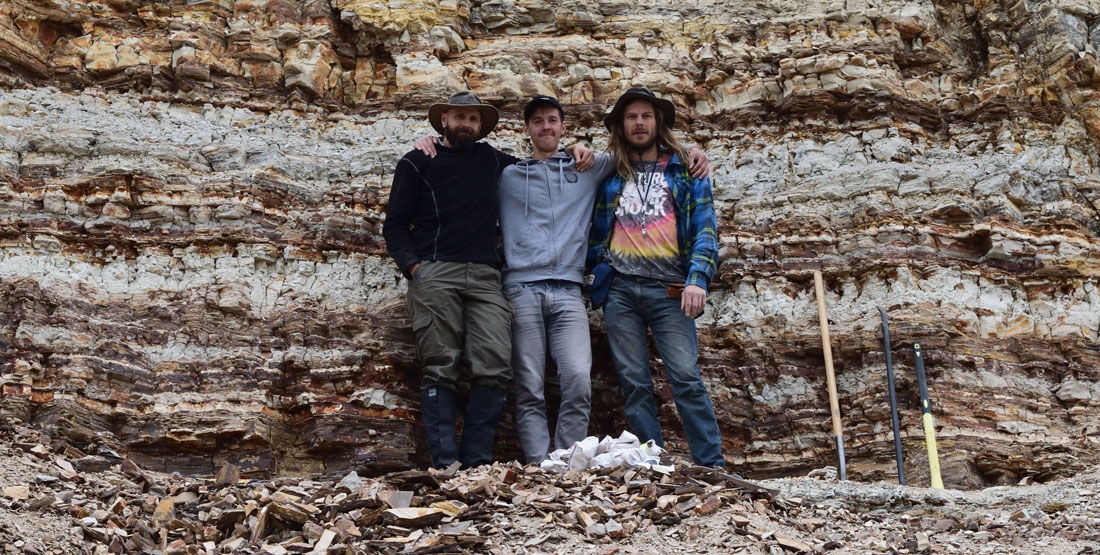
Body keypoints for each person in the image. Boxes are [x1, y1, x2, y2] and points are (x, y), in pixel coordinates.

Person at [414, 95, 710, 465]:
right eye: (537, 122)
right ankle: (541, 466)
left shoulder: (587, 168)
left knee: (577, 382)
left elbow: (639, 152)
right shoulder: (505, 173)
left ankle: (567, 462)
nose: (545, 127)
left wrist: (691, 150)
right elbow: (460, 159)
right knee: (528, 387)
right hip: (520, 290)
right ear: (526, 129)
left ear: (563, 126)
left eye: (552, 120)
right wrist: (429, 141)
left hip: (570, 291)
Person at [586, 87, 725, 468]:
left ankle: (711, 465)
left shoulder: (685, 170)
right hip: (620, 291)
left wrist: (698, 279)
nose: (639, 123)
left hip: (671, 291)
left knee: (685, 378)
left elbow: (705, 231)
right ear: (620, 125)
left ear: (658, 121)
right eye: (631, 117)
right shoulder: (610, 173)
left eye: (646, 115)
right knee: (634, 383)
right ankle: (652, 462)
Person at [383, 90, 519, 469]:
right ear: (444, 120)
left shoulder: (494, 160)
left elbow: (539, 170)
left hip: (486, 275)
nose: (466, 124)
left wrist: (575, 151)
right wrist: (415, 269)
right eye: (459, 117)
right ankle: (445, 464)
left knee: (494, 363)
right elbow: (395, 225)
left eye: (474, 119)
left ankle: (476, 462)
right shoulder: (416, 162)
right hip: (435, 270)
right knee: (440, 363)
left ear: (481, 127)